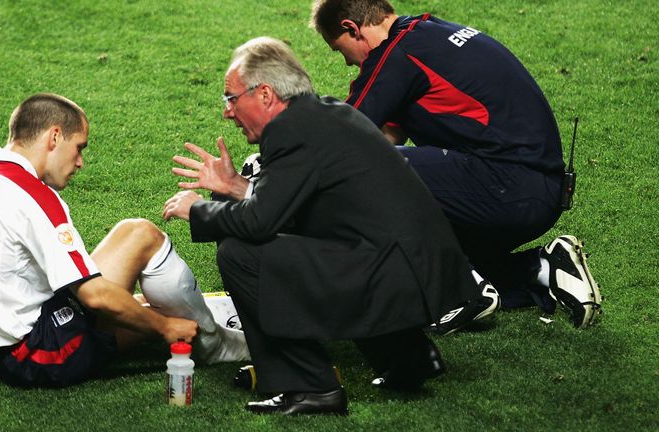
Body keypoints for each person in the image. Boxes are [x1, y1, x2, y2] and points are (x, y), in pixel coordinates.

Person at [163, 37, 492, 415]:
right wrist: (238, 187)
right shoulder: (325, 113)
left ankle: (307, 386)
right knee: (328, 241)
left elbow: (258, 223)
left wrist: (198, 210)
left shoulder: (291, 132)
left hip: (397, 275)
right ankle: (408, 357)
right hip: (421, 270)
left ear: (265, 94)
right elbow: (302, 207)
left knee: (240, 253)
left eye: (231, 99)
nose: (228, 113)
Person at [308, 0, 602, 328]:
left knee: (370, 171)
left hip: (504, 187)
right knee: (412, 276)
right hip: (536, 192)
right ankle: (544, 267)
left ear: (352, 28)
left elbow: (343, 134)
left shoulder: (397, 54)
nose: (348, 62)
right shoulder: (429, 33)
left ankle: (462, 291)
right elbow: (388, 132)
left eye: (339, 49)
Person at [0, 93, 248, 388]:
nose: (80, 162)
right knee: (146, 252)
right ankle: (214, 345)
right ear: (54, 137)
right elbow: (95, 296)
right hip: (35, 353)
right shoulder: (32, 195)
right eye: (79, 147)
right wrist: (164, 327)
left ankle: (197, 316)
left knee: (134, 234)